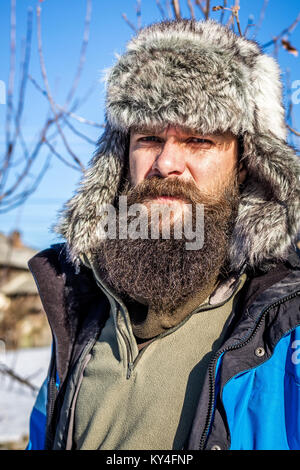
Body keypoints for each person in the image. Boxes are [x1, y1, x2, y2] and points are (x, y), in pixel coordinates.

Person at [26, 19, 300, 451]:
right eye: (150, 136)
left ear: (246, 163)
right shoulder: (80, 307)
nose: (167, 162)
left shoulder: (286, 327)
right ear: (120, 157)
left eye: (198, 139)